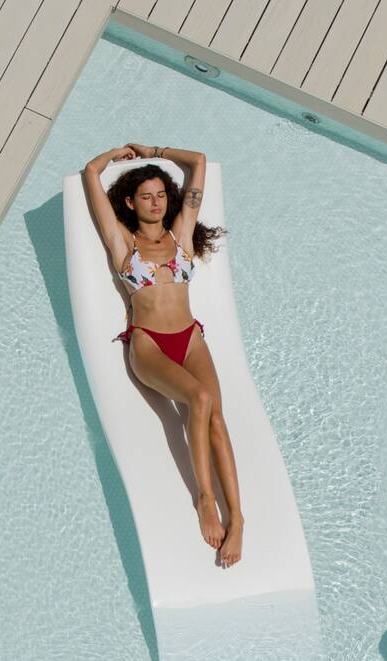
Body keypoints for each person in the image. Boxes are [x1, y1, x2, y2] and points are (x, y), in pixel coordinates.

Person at [82, 143, 245, 568]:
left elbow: (198, 162)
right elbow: (91, 173)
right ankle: (206, 499)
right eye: (146, 196)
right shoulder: (123, 241)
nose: (155, 203)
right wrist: (115, 155)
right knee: (200, 399)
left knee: (217, 421)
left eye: (160, 195)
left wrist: (154, 150)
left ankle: (239, 519)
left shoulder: (181, 234)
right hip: (149, 343)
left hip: (190, 338)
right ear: (130, 203)